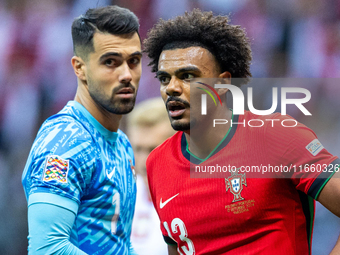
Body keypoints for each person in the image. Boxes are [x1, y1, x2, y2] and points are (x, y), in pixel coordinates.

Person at [143, 9, 340, 255]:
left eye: (187, 76)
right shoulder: (156, 162)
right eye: (164, 78)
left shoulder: (277, 136)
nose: (171, 88)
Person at [21, 5, 142, 254]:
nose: (126, 74)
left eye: (134, 61)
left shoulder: (122, 144)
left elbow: (120, 243)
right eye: (111, 62)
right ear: (79, 68)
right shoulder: (64, 142)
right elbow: (48, 248)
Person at [127, 98, 174, 255]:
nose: (143, 162)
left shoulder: (195, 201)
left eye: (152, 150)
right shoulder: (120, 194)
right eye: (138, 149)